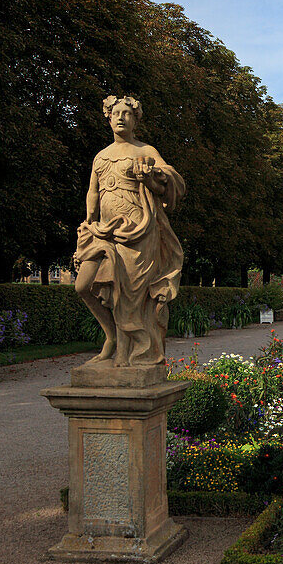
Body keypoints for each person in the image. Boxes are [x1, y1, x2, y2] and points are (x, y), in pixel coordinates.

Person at [75, 95, 185, 366]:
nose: (121, 117)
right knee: (83, 285)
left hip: (138, 231)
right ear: (109, 118)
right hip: (103, 231)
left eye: (127, 114)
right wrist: (88, 223)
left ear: (136, 120)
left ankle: (125, 354)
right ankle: (110, 336)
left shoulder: (145, 151)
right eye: (116, 113)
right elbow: (93, 191)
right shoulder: (101, 156)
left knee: (129, 296)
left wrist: (149, 177)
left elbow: (166, 187)